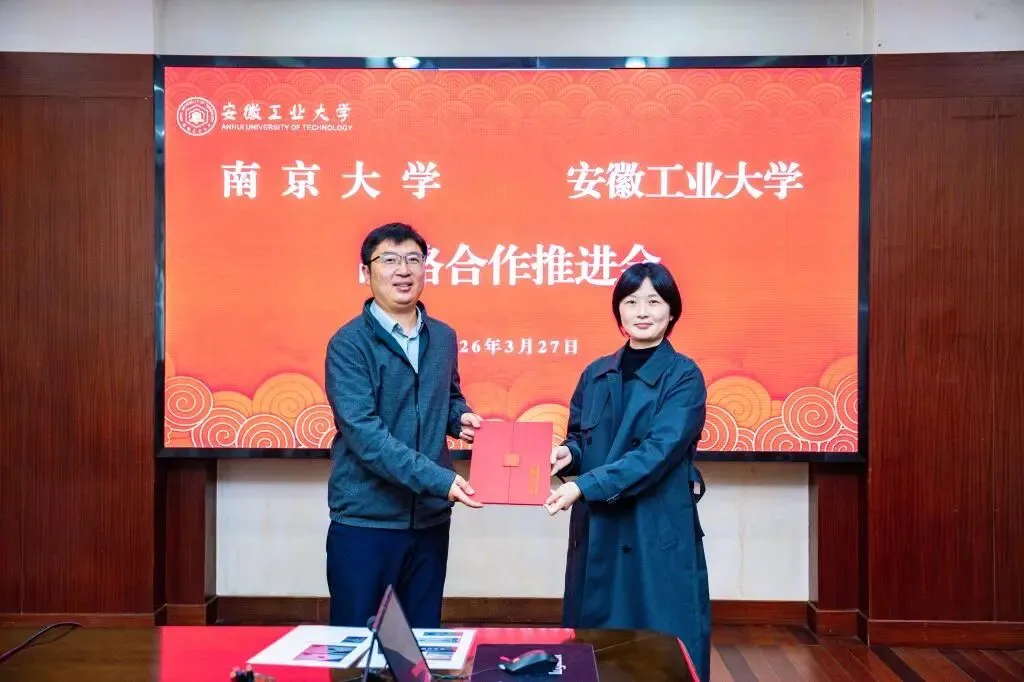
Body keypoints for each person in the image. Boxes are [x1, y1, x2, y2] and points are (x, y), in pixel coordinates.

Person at [545, 261, 711, 682]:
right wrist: (567, 455)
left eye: (654, 302)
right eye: (631, 301)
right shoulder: (596, 373)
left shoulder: (684, 376)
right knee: (593, 647)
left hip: (654, 528)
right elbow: (582, 440)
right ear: (618, 310)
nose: (642, 311)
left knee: (661, 649)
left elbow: (658, 453)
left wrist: (584, 486)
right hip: (599, 526)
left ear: (671, 312)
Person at [324, 222, 483, 629]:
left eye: (413, 259)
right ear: (367, 271)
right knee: (358, 644)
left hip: (429, 520)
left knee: (420, 640)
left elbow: (448, 395)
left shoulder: (443, 337)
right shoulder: (349, 344)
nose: (403, 270)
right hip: (367, 521)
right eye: (390, 260)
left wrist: (459, 417)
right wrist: (440, 479)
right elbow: (366, 436)